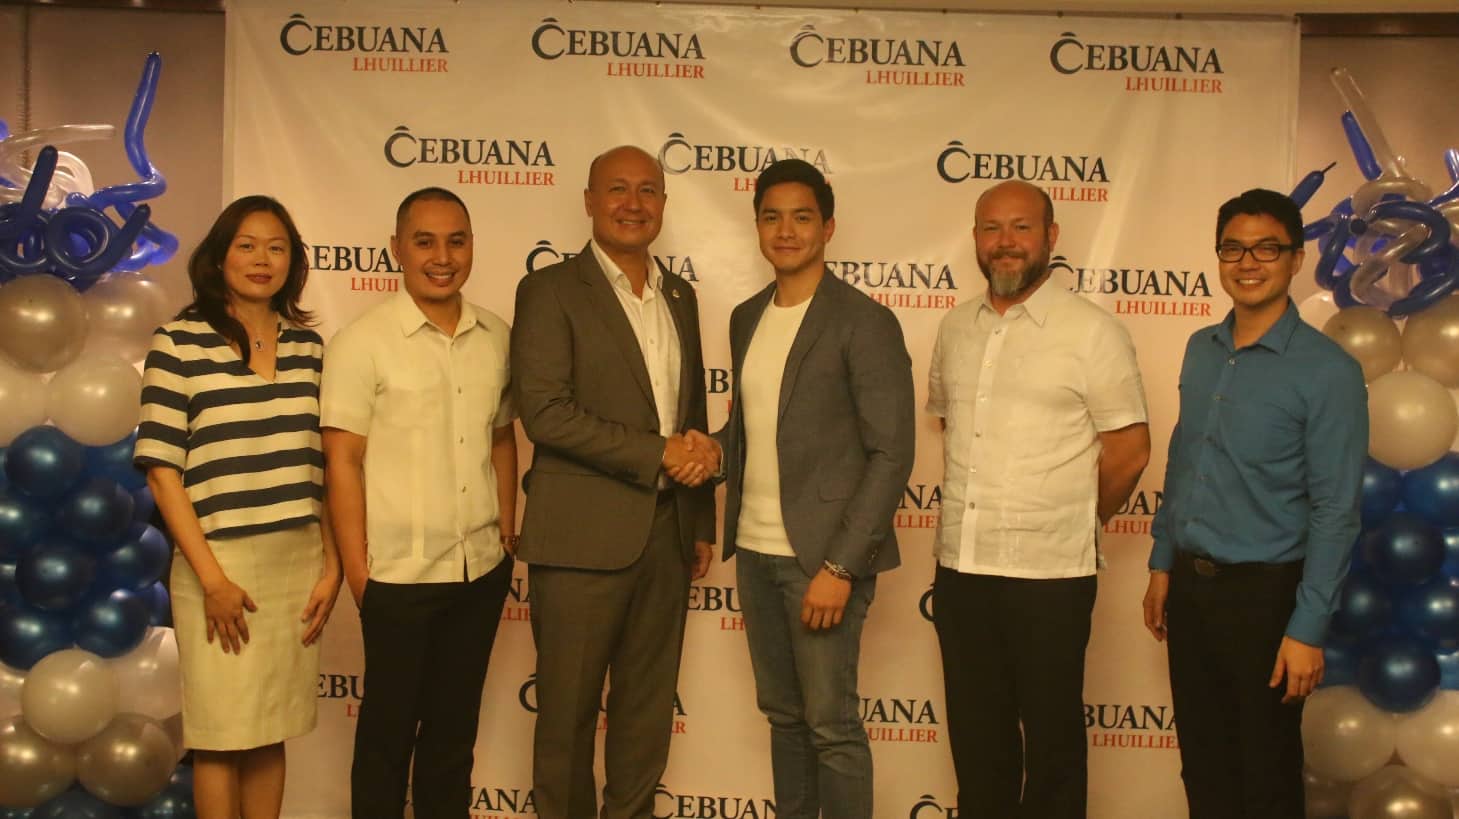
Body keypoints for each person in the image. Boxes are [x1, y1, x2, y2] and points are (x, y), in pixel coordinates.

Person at [683, 158, 914, 819]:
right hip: (754, 554)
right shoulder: (747, 316)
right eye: (771, 217)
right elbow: (755, 429)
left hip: (821, 560)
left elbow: (891, 453)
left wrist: (840, 566)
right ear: (757, 225)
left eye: (801, 217)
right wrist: (712, 451)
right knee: (784, 718)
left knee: (831, 727)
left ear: (828, 227)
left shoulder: (863, 321)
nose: (785, 230)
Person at [926, 180, 1150, 818]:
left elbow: (1130, 450)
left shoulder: (1092, 332)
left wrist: (1073, 517)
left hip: (1050, 576)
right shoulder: (955, 328)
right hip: (962, 569)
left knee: (1052, 751)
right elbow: (951, 425)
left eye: (1021, 227)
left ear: (1051, 237)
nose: (1005, 242)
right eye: (991, 228)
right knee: (978, 746)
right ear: (976, 239)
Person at [1143, 188, 1366, 819]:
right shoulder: (1200, 347)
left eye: (1267, 248)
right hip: (1191, 590)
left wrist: (1306, 628)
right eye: (1233, 249)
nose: (1248, 263)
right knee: (1203, 765)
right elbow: (1184, 460)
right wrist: (1162, 561)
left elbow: (1336, 510)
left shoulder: (1328, 371)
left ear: (1296, 259)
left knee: (1265, 774)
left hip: (1268, 598)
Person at [510, 145, 717, 819]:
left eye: (647, 190)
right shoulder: (548, 290)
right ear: (589, 201)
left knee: (646, 716)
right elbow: (546, 413)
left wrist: (699, 519)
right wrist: (659, 454)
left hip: (667, 534)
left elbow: (689, 415)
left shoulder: (680, 296)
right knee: (566, 719)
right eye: (618, 189)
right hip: (579, 541)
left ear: (663, 203)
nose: (633, 203)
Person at [136, 195, 340, 819]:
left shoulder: (310, 349)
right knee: (221, 737)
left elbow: (324, 467)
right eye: (247, 245)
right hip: (216, 565)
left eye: (277, 248)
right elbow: (162, 473)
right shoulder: (178, 342)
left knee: (270, 729)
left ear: (293, 262)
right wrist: (213, 580)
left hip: (296, 564)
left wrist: (332, 564)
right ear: (219, 257)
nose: (262, 259)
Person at [320, 187, 517, 819]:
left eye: (456, 241)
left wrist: (506, 529)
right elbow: (342, 462)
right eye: (425, 242)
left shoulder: (497, 335)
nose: (442, 257)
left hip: (480, 571)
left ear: (472, 247)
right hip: (397, 577)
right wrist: (359, 574)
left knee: (453, 738)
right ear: (397, 249)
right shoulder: (361, 342)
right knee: (387, 739)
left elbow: (501, 438)